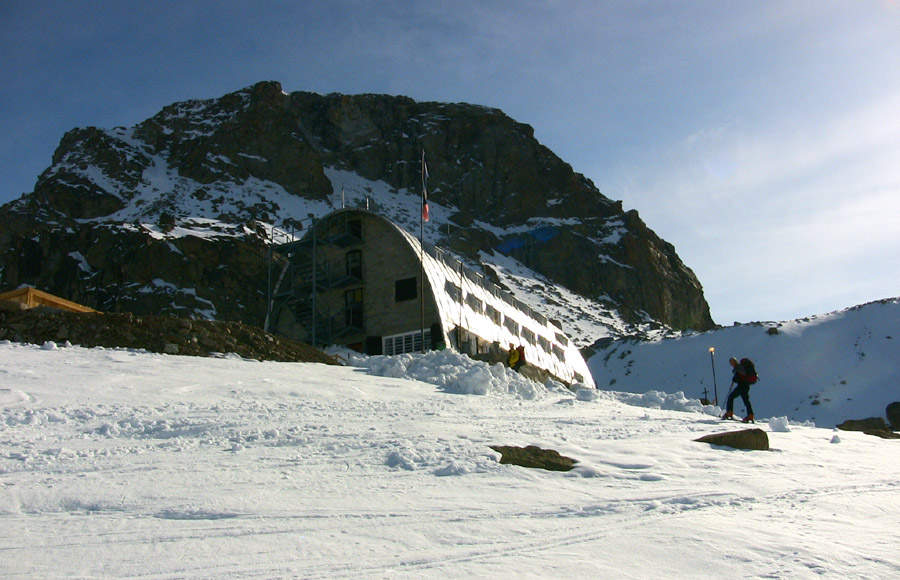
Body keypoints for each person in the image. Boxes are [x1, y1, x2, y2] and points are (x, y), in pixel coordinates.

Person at [722, 357, 754, 423]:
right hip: (746, 386)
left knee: (731, 397)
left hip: (742, 386)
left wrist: (735, 379)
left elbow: (740, 377)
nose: (731, 364)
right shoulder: (741, 367)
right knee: (746, 401)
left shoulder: (738, 368)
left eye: (731, 362)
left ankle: (729, 412)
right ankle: (750, 415)